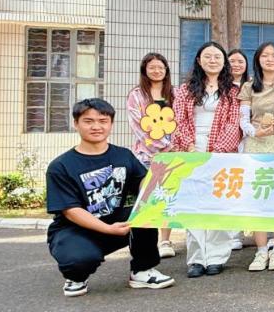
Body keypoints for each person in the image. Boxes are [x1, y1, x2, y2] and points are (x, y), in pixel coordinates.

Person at [46, 98, 175, 297]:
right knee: (78, 260)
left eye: (103, 121)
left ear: (111, 124)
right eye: (88, 121)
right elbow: (71, 211)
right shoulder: (61, 166)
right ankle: (76, 276)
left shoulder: (123, 155)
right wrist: (107, 229)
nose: (96, 126)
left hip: (115, 220)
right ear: (76, 123)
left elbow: (142, 183)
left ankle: (142, 270)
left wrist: (158, 176)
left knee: (146, 209)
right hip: (76, 229)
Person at [171, 41, 242, 278]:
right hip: (191, 150)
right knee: (194, 204)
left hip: (222, 152)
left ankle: (216, 257)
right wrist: (190, 147)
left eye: (217, 57)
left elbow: (234, 123)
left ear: (224, 62)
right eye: (208, 56)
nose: (213, 60)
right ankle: (196, 259)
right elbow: (178, 120)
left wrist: (218, 150)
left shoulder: (233, 91)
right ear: (199, 61)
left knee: (219, 203)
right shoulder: (185, 90)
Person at [239, 41, 274, 272]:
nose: (270, 59)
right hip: (256, 144)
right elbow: (243, 120)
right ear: (258, 59)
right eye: (265, 55)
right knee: (258, 196)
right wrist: (255, 132)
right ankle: (261, 250)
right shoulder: (248, 86)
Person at [126, 52, 177, 258]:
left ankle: (165, 240)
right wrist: (164, 146)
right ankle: (148, 242)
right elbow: (138, 125)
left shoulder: (175, 93)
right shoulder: (136, 95)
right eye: (152, 67)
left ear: (166, 70)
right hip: (146, 156)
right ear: (144, 70)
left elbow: (181, 120)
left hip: (173, 155)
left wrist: (173, 146)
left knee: (168, 195)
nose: (157, 71)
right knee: (148, 198)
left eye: (160, 67)